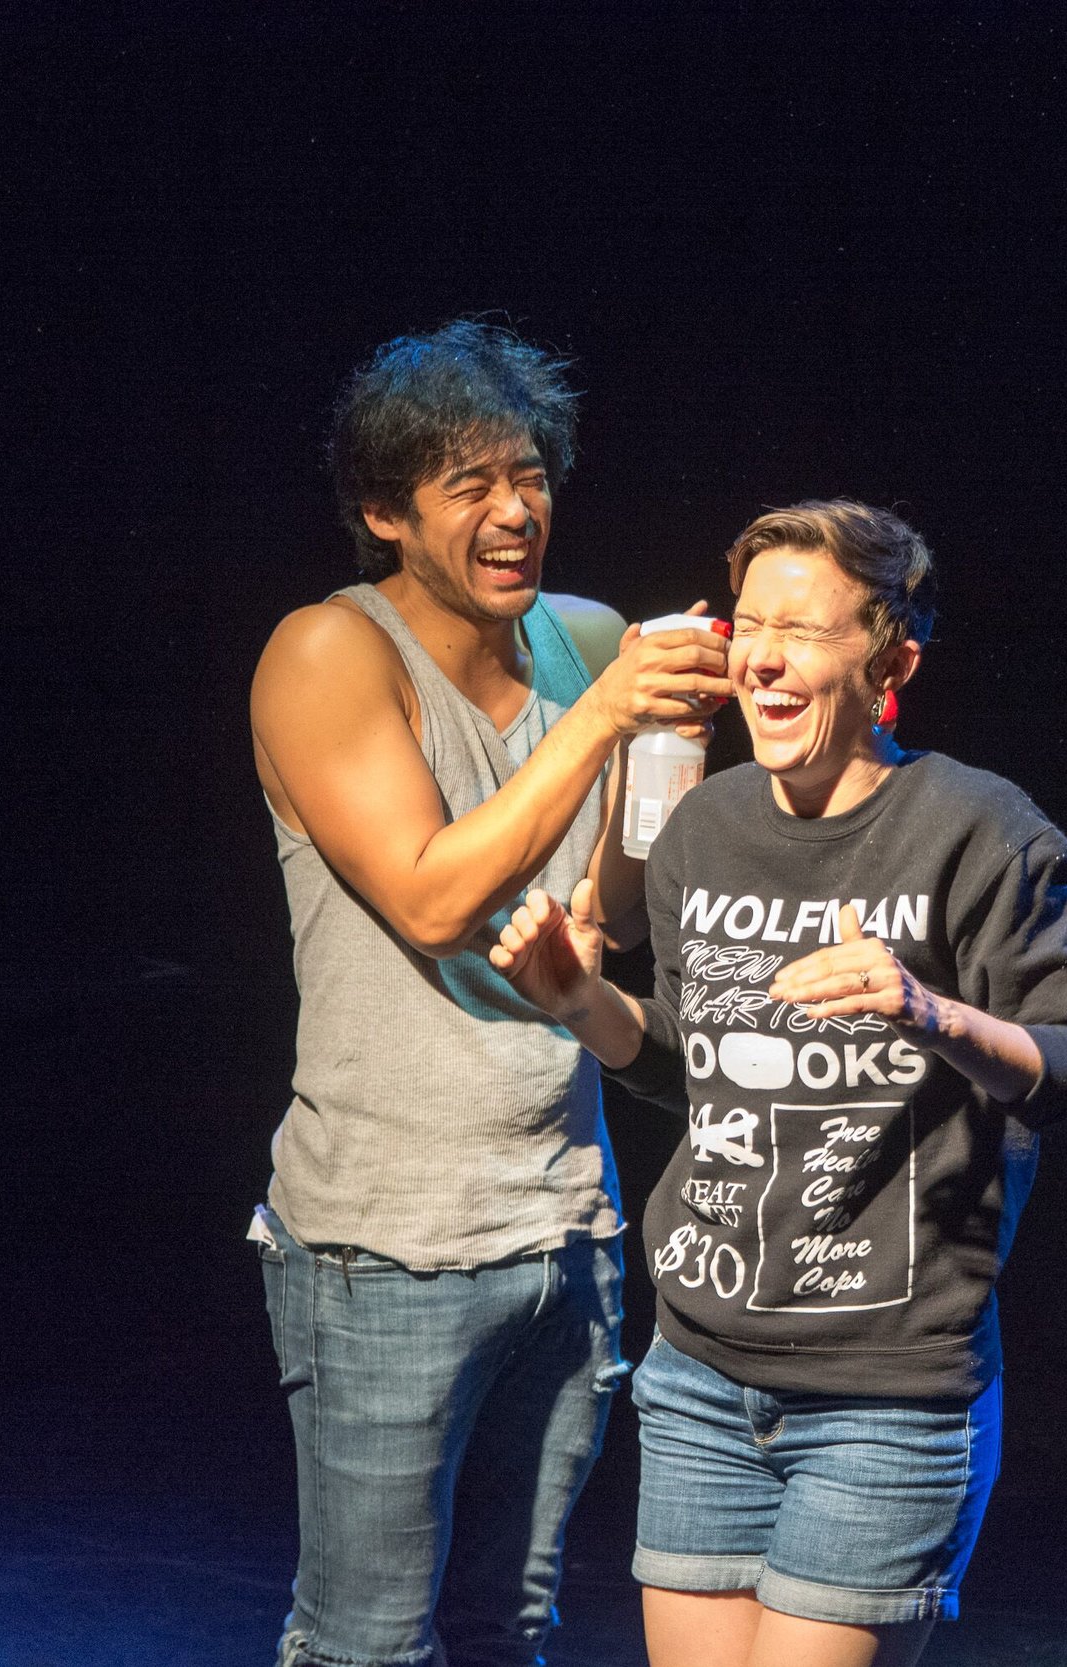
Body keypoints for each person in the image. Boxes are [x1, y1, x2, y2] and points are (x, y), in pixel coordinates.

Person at [486, 499, 1067, 1667]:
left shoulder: (978, 831)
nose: (762, 657)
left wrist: (928, 1010)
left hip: (886, 1394)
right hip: (697, 1375)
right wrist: (579, 1000)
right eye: (749, 623)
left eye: (804, 628)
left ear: (891, 661)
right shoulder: (703, 828)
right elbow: (698, 1071)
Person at [246, 319, 734, 1667]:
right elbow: (429, 894)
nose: (518, 510)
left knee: (506, 1627)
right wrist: (603, 719)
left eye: (529, 474)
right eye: (471, 485)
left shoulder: (579, 637)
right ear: (384, 512)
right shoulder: (324, 654)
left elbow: (618, 913)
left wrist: (667, 749)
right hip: (386, 1242)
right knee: (366, 1639)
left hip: (563, 1221)